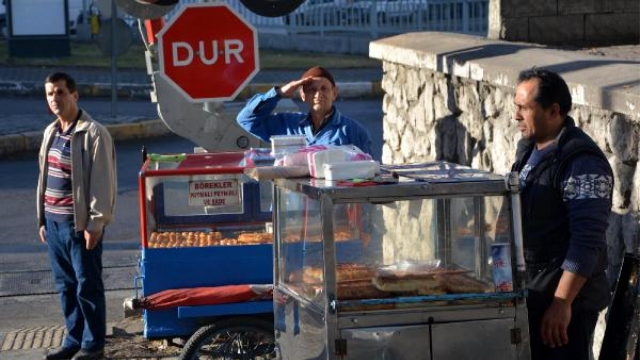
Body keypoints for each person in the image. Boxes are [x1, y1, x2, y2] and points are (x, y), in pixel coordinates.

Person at [511, 69, 613, 360]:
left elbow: (587, 241)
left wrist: (561, 303)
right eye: (515, 106)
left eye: (524, 108)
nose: (516, 115)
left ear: (554, 110)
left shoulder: (582, 162)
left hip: (567, 306)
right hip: (534, 292)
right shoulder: (530, 149)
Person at [37, 72, 117, 360]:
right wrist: (42, 220)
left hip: (78, 224)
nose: (54, 99)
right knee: (66, 287)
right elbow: (44, 178)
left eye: (60, 92)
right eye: (50, 94)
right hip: (54, 223)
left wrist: (95, 223)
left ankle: (93, 346)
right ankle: (73, 339)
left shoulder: (94, 133)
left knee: (87, 286)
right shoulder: (51, 132)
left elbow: (102, 182)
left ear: (74, 95)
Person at [236, 66, 373, 155]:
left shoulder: (353, 131)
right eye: (312, 90)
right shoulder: (287, 125)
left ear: (334, 93)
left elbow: (368, 173)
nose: (318, 94)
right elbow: (246, 119)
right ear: (303, 96)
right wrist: (279, 93)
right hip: (290, 199)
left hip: (335, 199)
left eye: (324, 88)